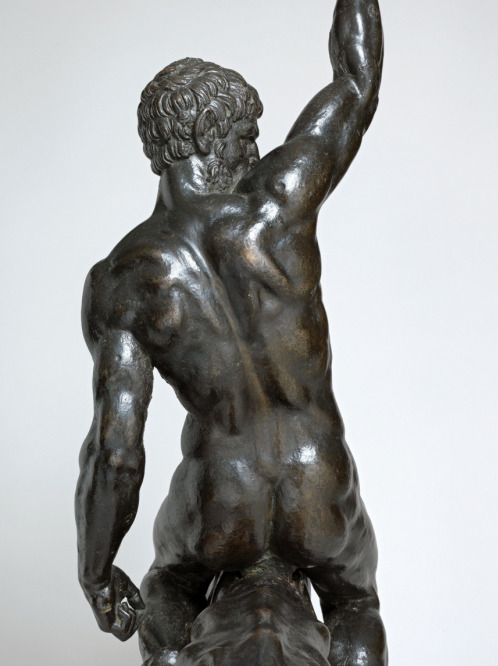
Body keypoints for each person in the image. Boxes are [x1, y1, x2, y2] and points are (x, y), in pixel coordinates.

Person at [75, 1, 387, 664]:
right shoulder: (278, 204)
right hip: (320, 484)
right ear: (213, 131)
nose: (254, 149)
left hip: (221, 497)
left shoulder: (121, 280)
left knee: (166, 594)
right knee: (357, 605)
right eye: (247, 133)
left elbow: (116, 453)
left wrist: (97, 575)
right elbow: (356, 84)